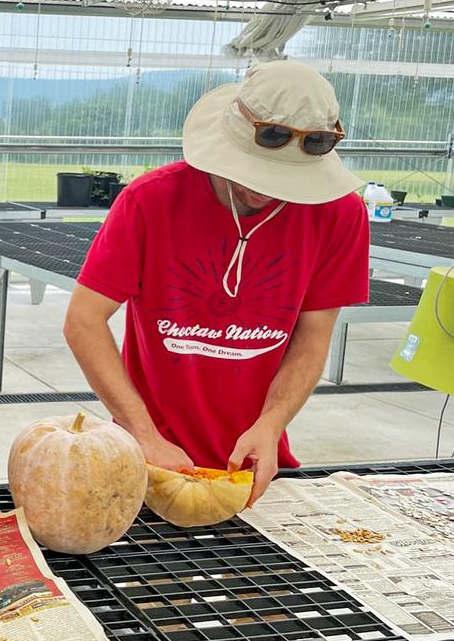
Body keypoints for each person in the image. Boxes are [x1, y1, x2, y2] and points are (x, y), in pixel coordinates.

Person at [63, 60, 368, 506]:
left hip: (253, 459)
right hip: (149, 453)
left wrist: (270, 426)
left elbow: (312, 340)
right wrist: (142, 433)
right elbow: (83, 321)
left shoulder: (340, 215)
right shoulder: (152, 201)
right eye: (254, 171)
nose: (265, 189)